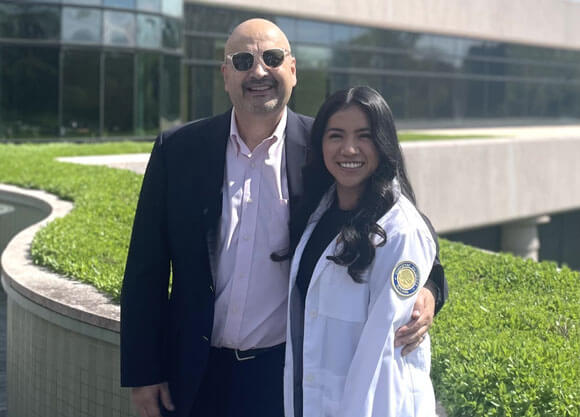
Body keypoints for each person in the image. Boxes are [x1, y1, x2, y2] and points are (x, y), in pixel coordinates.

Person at [120, 19, 447, 417]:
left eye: (271, 58)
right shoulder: (179, 150)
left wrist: (427, 289)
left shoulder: (324, 148)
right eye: (243, 61)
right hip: (192, 372)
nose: (258, 71)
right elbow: (145, 268)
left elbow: (401, 221)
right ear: (226, 76)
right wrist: (143, 373)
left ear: (292, 69)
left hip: (284, 376)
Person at [283, 86, 438, 417]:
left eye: (363, 136)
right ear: (320, 144)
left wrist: (433, 290)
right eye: (335, 136)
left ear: (384, 144)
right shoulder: (320, 209)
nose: (348, 148)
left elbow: (377, 356)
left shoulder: (400, 230)